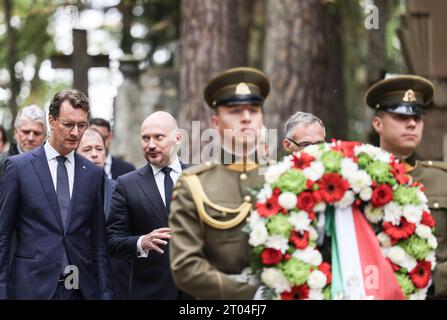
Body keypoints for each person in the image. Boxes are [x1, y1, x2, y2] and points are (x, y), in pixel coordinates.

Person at [0, 89, 112, 300]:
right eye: (68, 124)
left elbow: (98, 242)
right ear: (51, 121)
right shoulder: (18, 168)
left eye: (81, 125)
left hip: (79, 289)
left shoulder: (93, 174)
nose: (75, 132)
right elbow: (3, 237)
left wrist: (105, 293)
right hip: (32, 288)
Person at [169, 67, 270, 299]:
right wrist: (253, 295)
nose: (246, 117)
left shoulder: (286, 176)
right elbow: (186, 268)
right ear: (215, 122)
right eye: (235, 111)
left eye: (254, 110)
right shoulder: (192, 184)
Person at [366, 75, 447, 299]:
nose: (412, 123)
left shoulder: (442, 179)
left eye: (418, 117)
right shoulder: (355, 178)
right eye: (401, 116)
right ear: (378, 124)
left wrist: (431, 284)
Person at [107, 111, 188, 299]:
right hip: (150, 292)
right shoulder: (126, 184)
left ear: (177, 138)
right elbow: (112, 240)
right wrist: (141, 242)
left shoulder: (199, 176)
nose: (151, 145)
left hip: (197, 292)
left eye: (158, 137)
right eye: (145, 138)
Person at [76, 128, 131, 300]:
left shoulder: (121, 190)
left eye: (99, 149)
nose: (94, 154)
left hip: (116, 282)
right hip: (77, 280)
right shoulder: (66, 191)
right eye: (87, 149)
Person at [0, 105, 47, 176]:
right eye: (26, 132)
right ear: (15, 132)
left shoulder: (52, 165)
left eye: (37, 133)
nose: (31, 138)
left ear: (44, 136)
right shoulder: (1, 163)